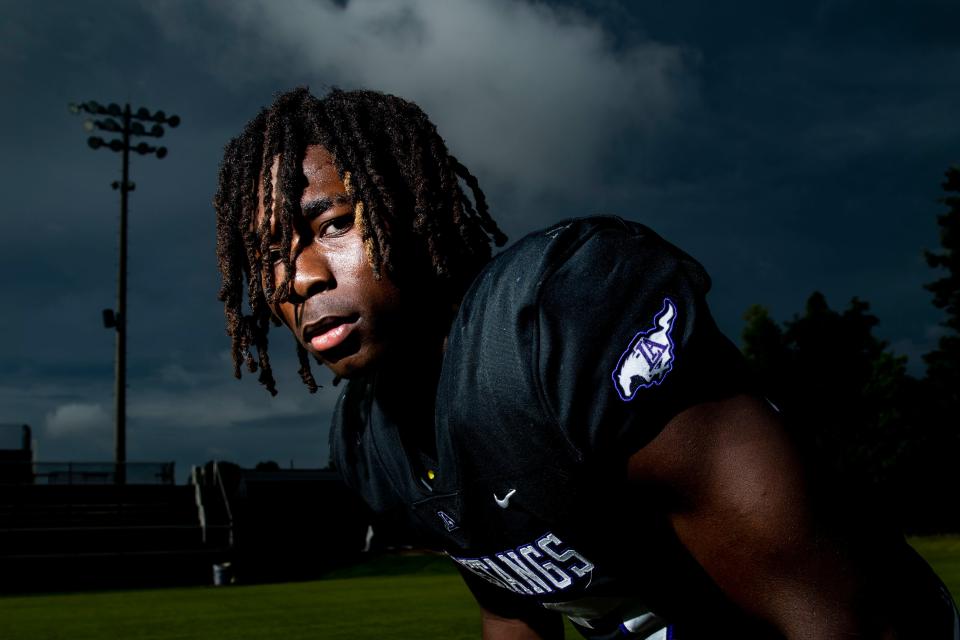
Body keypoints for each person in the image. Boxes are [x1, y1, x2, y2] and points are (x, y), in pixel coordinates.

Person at [214, 87, 958, 639]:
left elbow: (843, 614)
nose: (295, 277)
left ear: (413, 207)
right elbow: (512, 610)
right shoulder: (372, 442)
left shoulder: (560, 322)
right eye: (268, 258)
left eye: (333, 226)